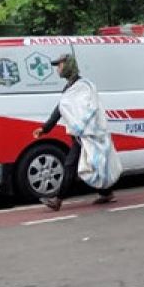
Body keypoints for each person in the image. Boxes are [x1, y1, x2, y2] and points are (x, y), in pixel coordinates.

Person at [32, 54, 122, 211]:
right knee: (92, 164)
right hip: (79, 134)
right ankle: (106, 193)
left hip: (87, 133)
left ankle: (57, 200)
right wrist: (45, 128)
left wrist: (82, 127)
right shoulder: (70, 88)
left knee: (70, 164)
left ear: (68, 66)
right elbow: (61, 108)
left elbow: (92, 108)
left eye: (59, 66)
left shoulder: (84, 86)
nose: (58, 69)